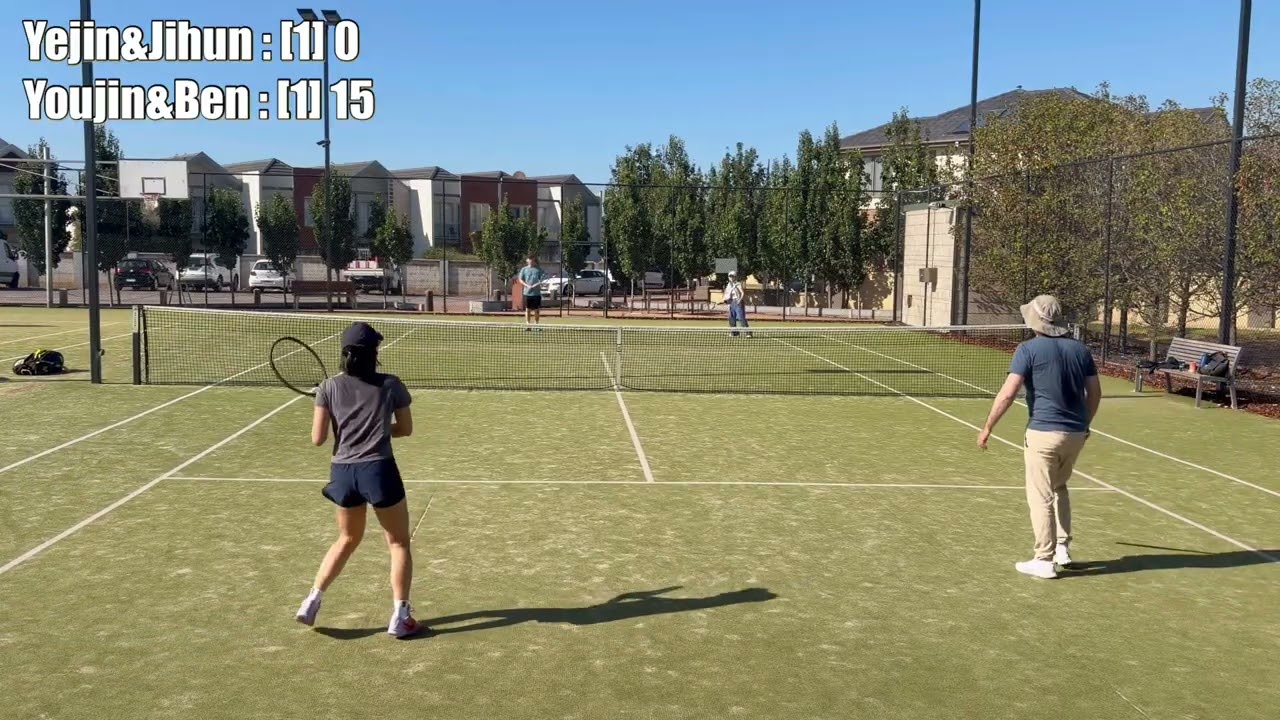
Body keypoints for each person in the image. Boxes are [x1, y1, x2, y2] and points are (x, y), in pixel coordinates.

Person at [295, 321, 426, 638]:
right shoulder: (391, 384)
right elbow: (405, 429)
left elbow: (317, 439)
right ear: (374, 353)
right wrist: (381, 430)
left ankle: (312, 599)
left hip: (343, 474)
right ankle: (400, 616)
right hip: (378, 470)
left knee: (346, 539)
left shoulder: (327, 388)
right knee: (398, 542)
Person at [977, 294, 1102, 580]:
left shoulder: (1027, 349)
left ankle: (1044, 559)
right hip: (1074, 435)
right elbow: (1094, 394)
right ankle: (1062, 549)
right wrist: (1084, 425)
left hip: (1043, 434)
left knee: (1040, 495)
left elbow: (1008, 393)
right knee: (1059, 488)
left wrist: (987, 427)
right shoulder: (1080, 350)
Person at [518, 256, 546, 329]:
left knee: (537, 310)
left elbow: (542, 279)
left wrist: (536, 284)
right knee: (528, 309)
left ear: (534, 261)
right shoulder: (524, 269)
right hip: (527, 293)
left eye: (532, 260)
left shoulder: (538, 269)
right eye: (529, 260)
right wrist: (527, 285)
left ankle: (536, 325)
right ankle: (528, 325)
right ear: (527, 260)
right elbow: (520, 279)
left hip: (536, 293)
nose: (531, 261)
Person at [723, 271, 751, 337]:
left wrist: (739, 300)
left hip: (738, 302)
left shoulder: (738, 284)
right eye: (730, 276)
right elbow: (727, 294)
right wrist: (727, 300)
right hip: (731, 302)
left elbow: (742, 293)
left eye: (732, 276)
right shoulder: (729, 285)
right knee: (731, 317)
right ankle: (734, 332)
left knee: (741, 317)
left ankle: (748, 333)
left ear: (735, 277)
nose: (731, 278)